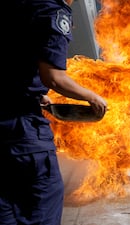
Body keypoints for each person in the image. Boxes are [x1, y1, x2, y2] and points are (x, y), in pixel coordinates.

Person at [0, 1, 107, 224]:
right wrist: (92, 97)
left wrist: (32, 93)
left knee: (8, 208)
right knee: (42, 205)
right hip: (23, 131)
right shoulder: (52, 9)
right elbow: (55, 78)